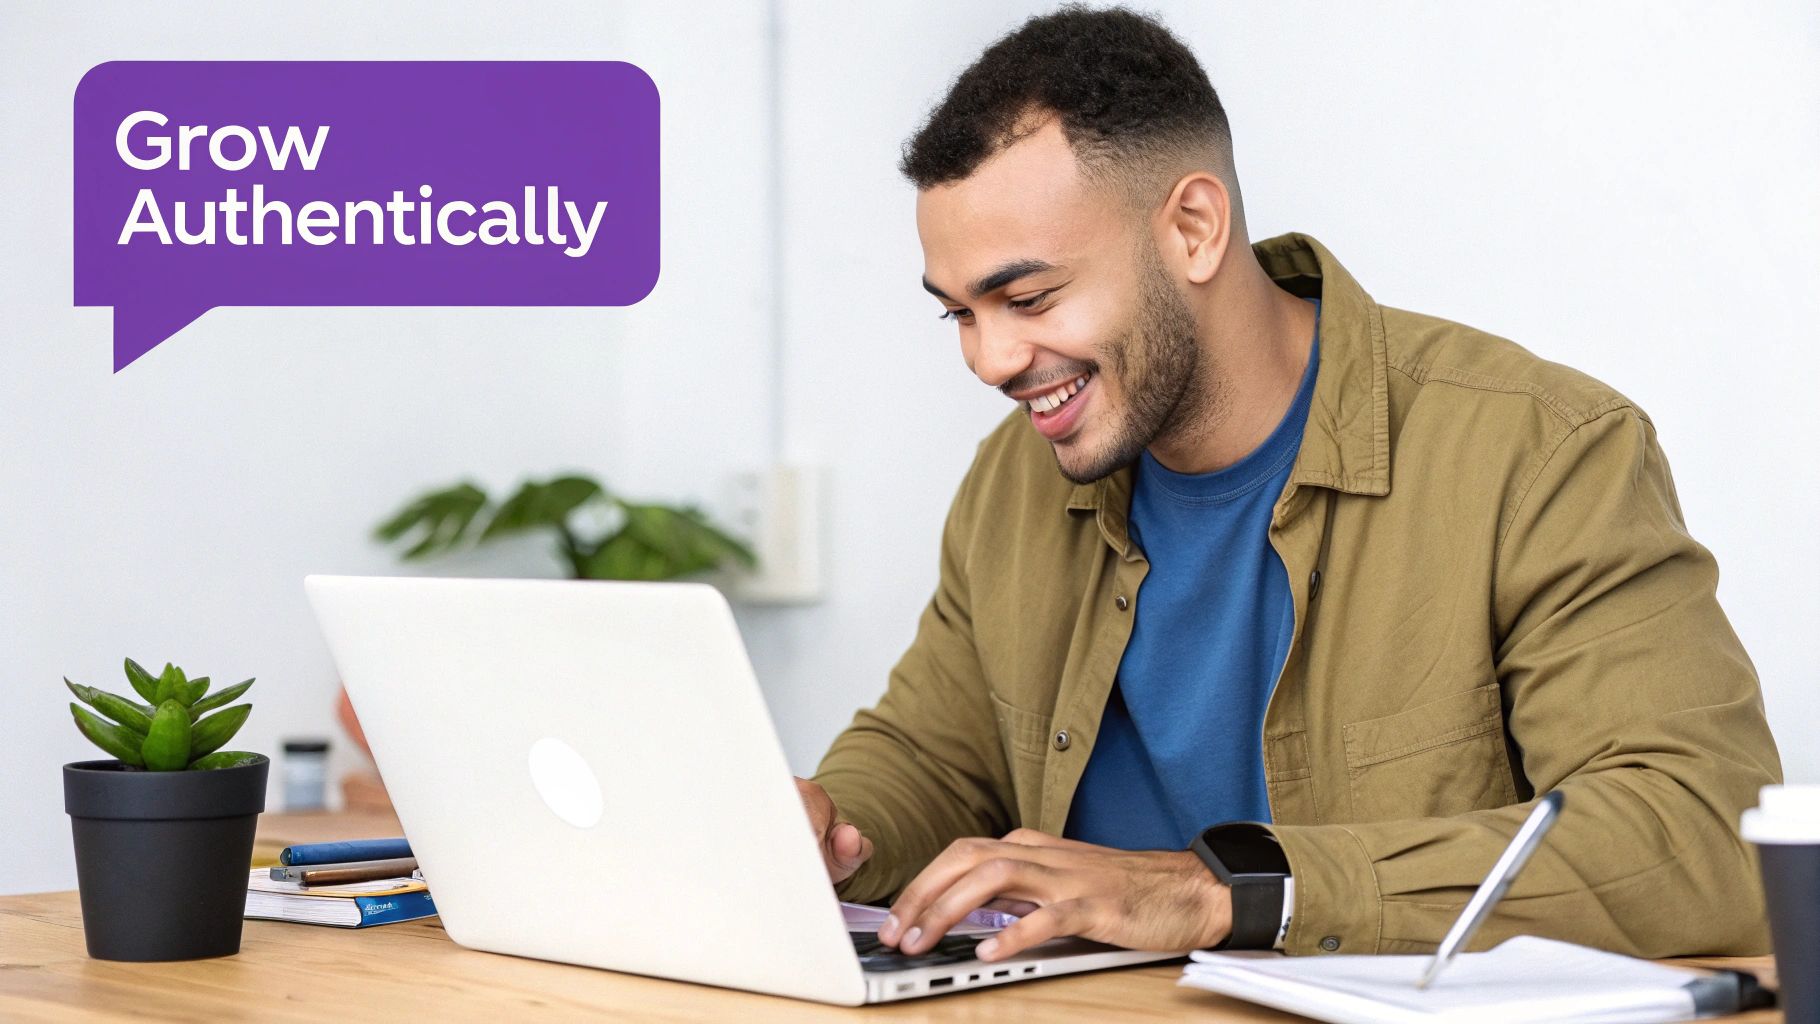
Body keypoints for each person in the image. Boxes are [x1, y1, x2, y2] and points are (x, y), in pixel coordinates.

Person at [794, 4, 1781, 963]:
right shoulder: (1014, 476)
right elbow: (935, 753)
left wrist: (1222, 892)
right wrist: (835, 827)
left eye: (1025, 296)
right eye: (957, 313)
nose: (989, 359)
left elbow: (1698, 832)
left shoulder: (1537, 451)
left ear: (1191, 227)